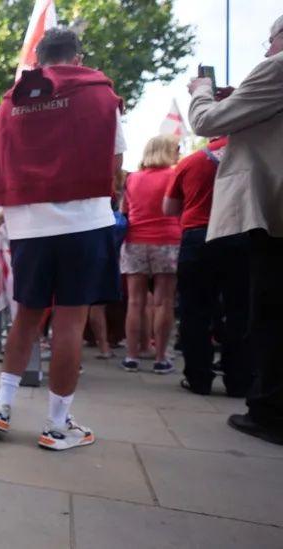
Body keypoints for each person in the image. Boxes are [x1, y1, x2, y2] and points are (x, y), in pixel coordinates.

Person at [0, 28, 125, 450]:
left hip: (29, 228)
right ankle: (56, 426)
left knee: (27, 317)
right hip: (86, 222)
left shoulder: (11, 103)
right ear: (78, 56)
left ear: (38, 59)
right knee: (70, 322)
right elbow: (116, 162)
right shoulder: (100, 94)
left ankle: (2, 406)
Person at [187, 14, 283, 445]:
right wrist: (242, 100)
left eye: (270, 39)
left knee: (267, 312)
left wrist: (202, 93)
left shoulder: (278, 66)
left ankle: (269, 410)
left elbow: (206, 123)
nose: (265, 51)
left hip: (270, 212)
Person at [163, 136, 252, 397]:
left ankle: (198, 378)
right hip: (241, 234)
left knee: (195, 311)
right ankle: (239, 380)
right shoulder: (253, 157)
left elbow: (169, 207)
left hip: (198, 236)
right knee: (240, 310)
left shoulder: (191, 162)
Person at [119, 135, 181, 374]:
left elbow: (125, 210)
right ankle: (161, 358)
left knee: (135, 302)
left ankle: (132, 356)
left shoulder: (132, 179)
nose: (178, 153)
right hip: (168, 240)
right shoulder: (174, 175)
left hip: (135, 241)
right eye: (176, 149)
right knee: (164, 302)